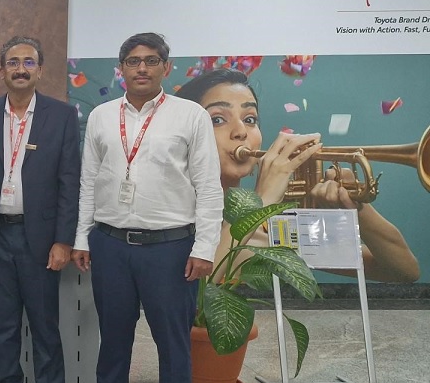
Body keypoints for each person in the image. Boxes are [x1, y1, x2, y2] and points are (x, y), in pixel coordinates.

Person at [70, 32, 222, 383]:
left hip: (170, 249)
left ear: (166, 68)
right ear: (121, 68)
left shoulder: (190, 115)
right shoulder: (102, 116)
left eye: (151, 61)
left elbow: (208, 185)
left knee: (172, 347)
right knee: (113, 342)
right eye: (133, 61)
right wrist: (82, 238)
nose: (141, 68)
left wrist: (205, 248)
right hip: (111, 245)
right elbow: (89, 182)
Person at [175, 68, 419, 283]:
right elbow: (192, 291)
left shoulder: (269, 232)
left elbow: (404, 271)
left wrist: (358, 207)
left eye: (250, 119)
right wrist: (262, 200)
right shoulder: (168, 221)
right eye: (217, 119)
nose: (241, 132)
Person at [0, 36, 79, 383]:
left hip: (41, 240)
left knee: (45, 327)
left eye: (28, 62)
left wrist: (63, 239)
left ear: (39, 70)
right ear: (1, 71)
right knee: (3, 327)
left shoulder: (61, 116)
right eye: (12, 62)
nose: (20, 68)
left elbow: (69, 182)